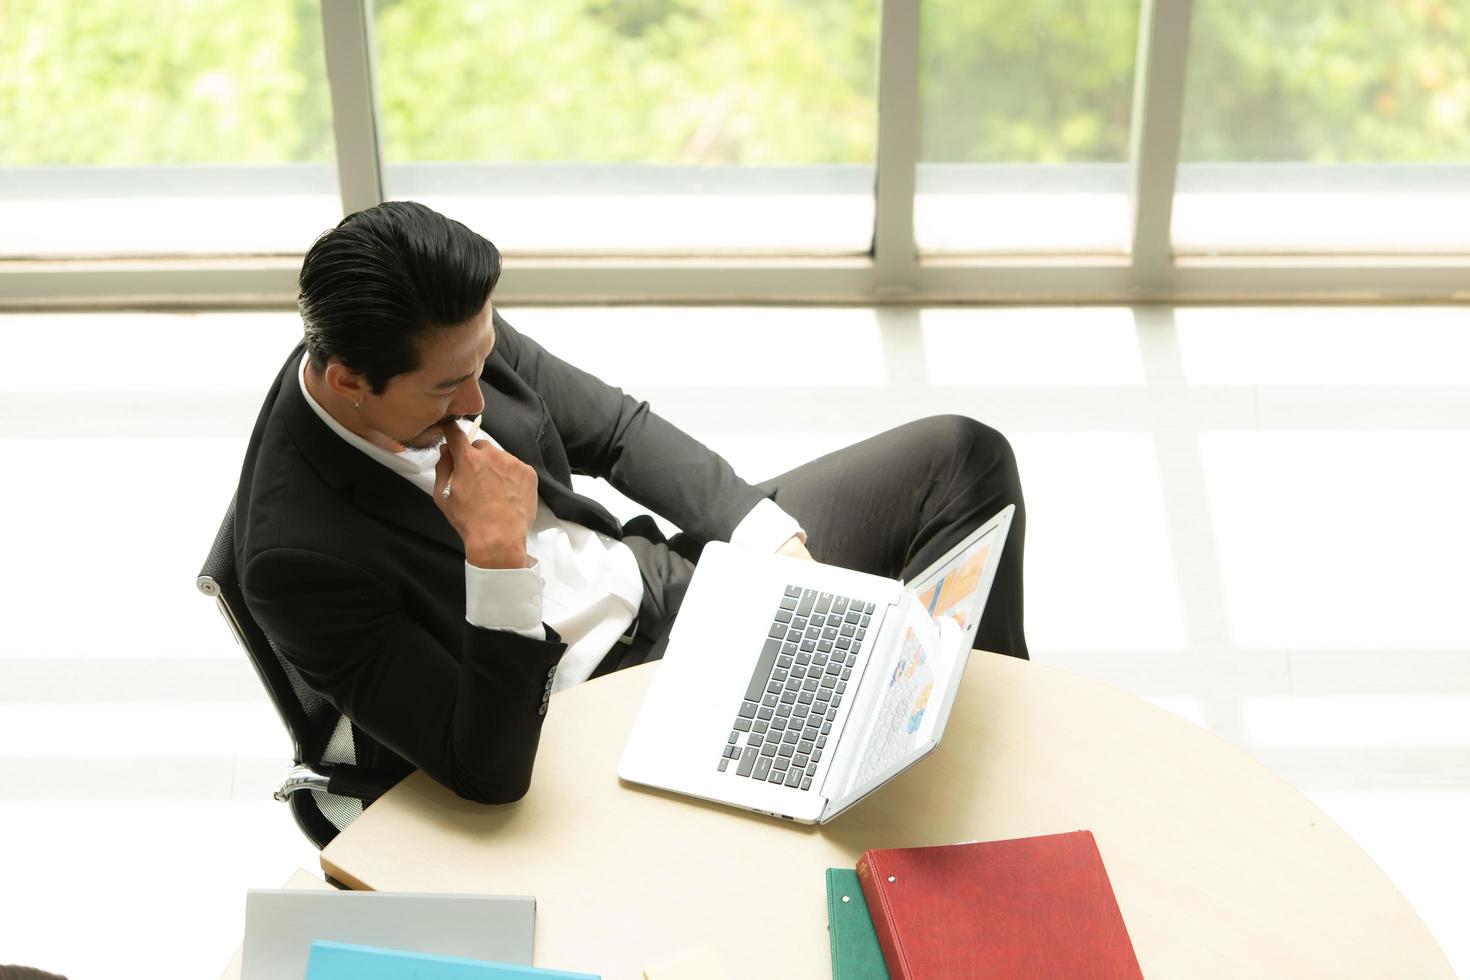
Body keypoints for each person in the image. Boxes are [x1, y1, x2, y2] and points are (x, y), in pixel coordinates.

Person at [235, 201, 1027, 806]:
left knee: (959, 457)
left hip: (668, 585)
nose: (478, 400)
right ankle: (927, 787)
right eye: (449, 386)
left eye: (483, 358)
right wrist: (498, 559)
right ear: (347, 382)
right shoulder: (294, 558)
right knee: (815, 743)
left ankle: (955, 745)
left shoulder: (438, 329)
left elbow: (614, 432)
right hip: (593, 711)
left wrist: (777, 550)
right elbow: (484, 766)